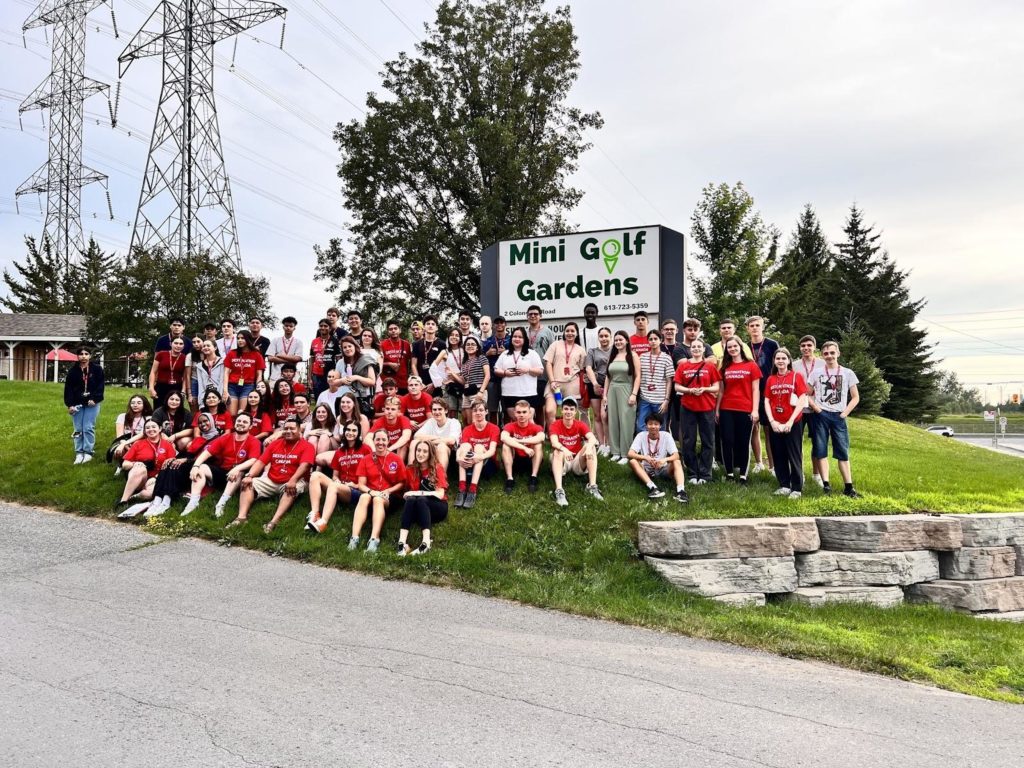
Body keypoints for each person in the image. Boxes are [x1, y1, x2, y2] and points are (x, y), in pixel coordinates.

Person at [228, 416, 315, 533]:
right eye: (286, 428)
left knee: (292, 489)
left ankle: (273, 521)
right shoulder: (275, 444)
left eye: (292, 429)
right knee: (247, 483)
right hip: (271, 479)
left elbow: (304, 466)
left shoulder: (307, 446)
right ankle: (241, 518)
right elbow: (260, 462)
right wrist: (249, 476)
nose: (288, 431)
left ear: (300, 431)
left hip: (295, 479)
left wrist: (293, 480)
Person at [808, 341, 862, 498]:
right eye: (826, 353)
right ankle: (826, 485)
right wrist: (816, 408)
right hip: (821, 415)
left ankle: (848, 487)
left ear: (838, 353)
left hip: (839, 415)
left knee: (842, 451)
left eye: (832, 353)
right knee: (820, 449)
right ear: (822, 356)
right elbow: (806, 393)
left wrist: (845, 413)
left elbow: (855, 397)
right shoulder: (816, 373)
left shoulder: (848, 373)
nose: (829, 356)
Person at [184, 412, 262, 517]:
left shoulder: (254, 441)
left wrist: (237, 468)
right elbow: (206, 453)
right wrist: (195, 466)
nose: (241, 423)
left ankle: (221, 504)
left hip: (238, 475)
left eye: (245, 422)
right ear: (235, 423)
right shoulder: (226, 437)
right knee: (201, 468)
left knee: (239, 472)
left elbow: (253, 460)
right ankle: (193, 502)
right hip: (223, 472)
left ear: (250, 426)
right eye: (239, 421)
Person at [307, 421, 370, 534]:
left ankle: (323, 522)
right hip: (340, 486)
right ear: (344, 432)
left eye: (354, 430)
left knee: (334, 486)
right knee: (315, 475)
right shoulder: (339, 452)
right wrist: (337, 480)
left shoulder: (365, 449)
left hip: (357, 490)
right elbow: (335, 475)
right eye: (348, 430)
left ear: (359, 433)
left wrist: (355, 485)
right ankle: (315, 514)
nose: (350, 433)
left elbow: (371, 474)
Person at [349, 428, 406, 552]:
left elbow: (402, 483)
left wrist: (389, 491)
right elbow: (361, 485)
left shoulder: (396, 459)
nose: (380, 442)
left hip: (390, 497)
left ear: (388, 441)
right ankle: (354, 537)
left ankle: (374, 539)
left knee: (378, 500)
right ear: (374, 441)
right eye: (378, 439)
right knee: (364, 496)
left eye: (383, 440)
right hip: (371, 494)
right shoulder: (366, 459)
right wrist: (371, 492)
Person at [764, 347, 809, 498]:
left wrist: (790, 421)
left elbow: (802, 399)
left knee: (794, 454)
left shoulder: (797, 376)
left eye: (784, 358)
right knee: (778, 454)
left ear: (789, 360)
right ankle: (784, 484)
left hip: (793, 422)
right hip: (776, 422)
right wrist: (772, 421)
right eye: (778, 359)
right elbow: (767, 400)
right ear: (774, 361)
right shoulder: (771, 379)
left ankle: (796, 488)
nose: (781, 361)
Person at [675, 339, 721, 484]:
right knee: (689, 441)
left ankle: (705, 473)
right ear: (690, 350)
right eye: (693, 347)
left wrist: (705, 389)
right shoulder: (683, 366)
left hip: (707, 407)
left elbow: (716, 387)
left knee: (708, 440)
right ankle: (692, 473)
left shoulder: (710, 366)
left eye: (699, 347)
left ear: (703, 349)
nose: (696, 349)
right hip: (688, 407)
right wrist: (689, 390)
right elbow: (677, 386)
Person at [716, 338, 762, 483]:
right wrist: (717, 410)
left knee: (743, 441)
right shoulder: (724, 367)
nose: (732, 349)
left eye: (735, 346)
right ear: (726, 349)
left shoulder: (751, 365)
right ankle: (729, 473)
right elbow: (721, 391)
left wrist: (755, 410)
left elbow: (756, 389)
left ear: (740, 347)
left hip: (745, 408)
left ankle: (743, 475)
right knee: (727, 441)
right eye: (729, 347)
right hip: (726, 408)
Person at [396, 440, 449, 556]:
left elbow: (440, 494)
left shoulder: (437, 468)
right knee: (411, 499)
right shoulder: (410, 469)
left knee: (420, 499)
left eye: (425, 451)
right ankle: (402, 543)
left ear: (430, 454)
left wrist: (418, 492)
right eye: (418, 450)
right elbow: (404, 492)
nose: (420, 454)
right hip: (419, 511)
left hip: (437, 508)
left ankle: (426, 543)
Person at [115, 418, 175, 517]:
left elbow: (170, 464)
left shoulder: (167, 445)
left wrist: (156, 477)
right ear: (144, 431)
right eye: (147, 428)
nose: (150, 429)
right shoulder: (138, 444)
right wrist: (135, 464)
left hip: (157, 478)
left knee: (149, 494)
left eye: (153, 427)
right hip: (139, 477)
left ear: (160, 429)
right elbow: (125, 464)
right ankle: (123, 501)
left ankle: (134, 497)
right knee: (140, 468)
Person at [549, 398, 603, 506]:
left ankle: (592, 486)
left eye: (571, 409)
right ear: (562, 410)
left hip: (576, 462)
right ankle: (559, 491)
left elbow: (593, 439)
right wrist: (565, 449)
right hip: (562, 460)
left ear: (575, 411)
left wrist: (588, 447)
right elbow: (554, 443)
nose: (568, 411)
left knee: (591, 447)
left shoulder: (580, 424)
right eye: (566, 409)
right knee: (557, 451)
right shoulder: (555, 425)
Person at [627, 414, 688, 502]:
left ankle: (681, 491)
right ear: (646, 426)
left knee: (677, 462)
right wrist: (645, 457)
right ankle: (653, 488)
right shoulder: (641, 435)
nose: (653, 426)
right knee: (633, 461)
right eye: (650, 424)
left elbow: (676, 455)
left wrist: (664, 460)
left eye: (656, 424)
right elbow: (630, 453)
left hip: (662, 468)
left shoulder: (666, 436)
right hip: (646, 469)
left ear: (660, 426)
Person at [746, 315, 780, 474]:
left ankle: (772, 466)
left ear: (762, 327)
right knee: (754, 428)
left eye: (757, 325)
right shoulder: (745, 346)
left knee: (769, 429)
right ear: (747, 329)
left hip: (768, 391)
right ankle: (759, 463)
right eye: (751, 325)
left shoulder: (772, 344)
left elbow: (779, 365)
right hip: (750, 391)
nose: (754, 328)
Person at [454, 402, 500, 508]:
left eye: (481, 410)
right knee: (465, 447)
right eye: (475, 410)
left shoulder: (494, 428)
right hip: (469, 464)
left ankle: (472, 490)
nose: (478, 413)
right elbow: (461, 448)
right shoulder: (467, 429)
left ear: (486, 412)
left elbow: (492, 451)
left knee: (479, 447)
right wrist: (459, 458)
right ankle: (462, 489)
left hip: (488, 465)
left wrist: (478, 457)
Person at [604, 331, 640, 463]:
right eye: (616, 340)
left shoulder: (633, 356)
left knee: (626, 421)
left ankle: (625, 454)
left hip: (627, 389)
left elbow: (638, 377)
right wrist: (605, 395)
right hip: (612, 389)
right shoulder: (612, 356)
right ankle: (615, 451)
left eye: (621, 340)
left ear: (627, 341)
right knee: (613, 420)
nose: (618, 342)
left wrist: (634, 394)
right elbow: (608, 377)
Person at [64, 346, 105, 464]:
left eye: (86, 354)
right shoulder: (73, 372)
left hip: (92, 403)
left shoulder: (97, 369)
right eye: (81, 354)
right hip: (77, 403)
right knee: (78, 428)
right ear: (77, 356)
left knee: (88, 427)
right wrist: (70, 405)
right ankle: (79, 452)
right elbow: (68, 389)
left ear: (90, 356)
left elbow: (100, 386)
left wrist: (95, 399)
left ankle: (88, 452)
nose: (83, 356)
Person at [494, 327, 544, 423]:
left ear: (525, 339)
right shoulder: (505, 354)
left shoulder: (532, 354)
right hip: (509, 393)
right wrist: (505, 373)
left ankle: (535, 437)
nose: (517, 339)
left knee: (528, 420)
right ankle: (515, 438)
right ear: (511, 338)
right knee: (515, 419)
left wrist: (528, 370)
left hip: (528, 393)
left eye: (520, 337)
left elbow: (540, 370)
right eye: (515, 336)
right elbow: (496, 369)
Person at [796, 335, 826, 487]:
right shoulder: (795, 365)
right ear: (800, 348)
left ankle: (816, 474)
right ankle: (799, 472)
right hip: (799, 408)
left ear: (815, 347)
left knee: (818, 442)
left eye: (809, 345)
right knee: (797, 442)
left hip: (817, 409)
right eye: (803, 346)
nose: (806, 348)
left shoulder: (823, 363)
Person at [543, 321, 586, 427]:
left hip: (571, 384)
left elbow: (582, 370)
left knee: (569, 414)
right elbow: (548, 362)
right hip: (554, 384)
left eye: (572, 331)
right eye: (567, 331)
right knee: (549, 411)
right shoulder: (555, 345)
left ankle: (568, 436)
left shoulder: (580, 349)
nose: (570, 333)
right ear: (564, 332)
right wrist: (552, 381)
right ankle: (554, 437)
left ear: (576, 333)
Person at [500, 399, 545, 493]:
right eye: (519, 412)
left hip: (531, 459)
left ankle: (534, 477)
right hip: (515, 460)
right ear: (515, 413)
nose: (521, 415)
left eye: (524, 412)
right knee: (505, 445)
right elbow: (503, 437)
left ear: (529, 414)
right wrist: (524, 447)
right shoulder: (510, 426)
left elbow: (541, 437)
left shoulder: (536, 427)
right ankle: (509, 479)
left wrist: (518, 440)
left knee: (538, 444)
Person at [636, 329, 674, 432]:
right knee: (641, 426)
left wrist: (666, 400)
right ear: (647, 341)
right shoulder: (642, 357)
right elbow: (638, 376)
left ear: (660, 340)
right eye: (650, 339)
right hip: (645, 399)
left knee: (660, 428)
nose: (653, 341)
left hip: (660, 400)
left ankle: (659, 448)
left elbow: (669, 380)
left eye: (655, 339)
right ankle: (645, 448)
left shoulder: (666, 358)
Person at [222, 330, 265, 415]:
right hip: (232, 386)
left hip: (248, 386)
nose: (240, 340)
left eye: (242, 338)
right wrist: (225, 390)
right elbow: (226, 372)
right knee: (232, 414)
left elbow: (259, 374)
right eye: (238, 338)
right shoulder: (232, 353)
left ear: (248, 339)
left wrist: (257, 390)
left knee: (242, 413)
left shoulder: (256, 354)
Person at [584, 327, 612, 455]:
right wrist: (595, 383)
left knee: (606, 415)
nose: (604, 338)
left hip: (611, 385)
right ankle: (601, 444)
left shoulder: (615, 351)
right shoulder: (592, 351)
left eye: (606, 336)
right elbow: (588, 368)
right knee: (597, 416)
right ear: (598, 338)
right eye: (601, 336)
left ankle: (611, 444)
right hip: (595, 385)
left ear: (610, 337)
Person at [412, 399, 462, 470]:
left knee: (441, 446)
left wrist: (430, 442)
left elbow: (451, 441)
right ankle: (412, 474)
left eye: (440, 409)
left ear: (446, 410)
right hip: (432, 451)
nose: (437, 412)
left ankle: (441, 479)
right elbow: (416, 436)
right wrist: (436, 438)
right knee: (414, 443)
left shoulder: (454, 422)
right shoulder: (431, 422)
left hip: (451, 456)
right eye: (434, 410)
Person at [335, 335, 378, 417]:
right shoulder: (340, 362)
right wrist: (342, 380)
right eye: (344, 347)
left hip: (360, 398)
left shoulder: (365, 360)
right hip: (343, 399)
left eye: (349, 346)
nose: (347, 349)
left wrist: (357, 377)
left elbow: (372, 381)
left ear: (355, 346)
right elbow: (334, 382)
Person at [109, 393, 152, 466]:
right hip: (124, 441)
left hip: (140, 442)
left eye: (139, 403)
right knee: (119, 450)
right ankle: (120, 465)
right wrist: (124, 445)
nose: (135, 405)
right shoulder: (122, 416)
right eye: (133, 403)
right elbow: (120, 436)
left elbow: (143, 435)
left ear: (144, 405)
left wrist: (133, 448)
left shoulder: (149, 418)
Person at [481, 315, 509, 424]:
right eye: (497, 323)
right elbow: (480, 357)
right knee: (492, 409)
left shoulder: (510, 340)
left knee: (506, 409)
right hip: (492, 379)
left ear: (505, 324)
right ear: (493, 326)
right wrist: (487, 354)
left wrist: (506, 352)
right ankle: (495, 432)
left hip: (507, 378)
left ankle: (506, 431)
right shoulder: (488, 341)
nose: (499, 325)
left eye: (501, 322)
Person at [366, 396, 413, 461]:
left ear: (398, 411)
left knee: (403, 445)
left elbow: (406, 437)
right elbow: (367, 438)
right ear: (384, 409)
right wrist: (374, 450)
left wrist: (390, 449)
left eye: (393, 409)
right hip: (385, 447)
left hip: (398, 448)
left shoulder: (404, 419)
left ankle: (398, 466)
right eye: (387, 409)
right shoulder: (380, 421)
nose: (389, 412)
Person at [525, 305, 556, 401]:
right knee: (530, 404)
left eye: (536, 314)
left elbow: (554, 353)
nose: (533, 316)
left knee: (542, 404)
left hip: (544, 375)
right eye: (530, 314)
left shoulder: (547, 332)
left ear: (540, 316)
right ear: (527, 316)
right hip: (528, 374)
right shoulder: (524, 333)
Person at [148, 335, 189, 407]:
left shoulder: (185, 358)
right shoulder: (161, 354)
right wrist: (151, 388)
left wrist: (183, 391)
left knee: (175, 411)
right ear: (171, 344)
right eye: (176, 343)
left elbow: (185, 376)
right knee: (159, 409)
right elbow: (153, 372)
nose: (178, 346)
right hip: (161, 387)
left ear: (184, 346)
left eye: (181, 344)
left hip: (177, 388)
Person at [459, 336, 490, 424]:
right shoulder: (464, 362)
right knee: (467, 420)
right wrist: (452, 374)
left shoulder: (481, 358)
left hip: (478, 391)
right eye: (468, 344)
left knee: (476, 419)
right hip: (467, 393)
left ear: (477, 347)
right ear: (464, 348)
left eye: (473, 344)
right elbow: (464, 380)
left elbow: (487, 375)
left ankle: (480, 437)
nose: (470, 346)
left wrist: (481, 392)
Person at [435, 328, 466, 417]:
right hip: (450, 386)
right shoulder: (445, 352)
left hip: (464, 383)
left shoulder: (464, 350)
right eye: (452, 335)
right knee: (451, 414)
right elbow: (434, 367)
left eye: (457, 335)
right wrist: (443, 379)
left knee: (465, 415)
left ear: (460, 338)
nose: (454, 337)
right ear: (448, 337)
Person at [411, 315, 445, 393]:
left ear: (436, 328)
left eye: (433, 324)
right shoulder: (416, 344)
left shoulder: (442, 344)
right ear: (424, 327)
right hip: (420, 384)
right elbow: (413, 365)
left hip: (436, 384)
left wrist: (434, 383)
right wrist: (419, 382)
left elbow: (444, 367)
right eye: (428, 323)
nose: (430, 326)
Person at [309, 318, 340, 400]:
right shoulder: (314, 341)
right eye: (321, 326)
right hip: (317, 374)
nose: (323, 328)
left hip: (330, 373)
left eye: (325, 326)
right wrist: (309, 378)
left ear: (330, 328)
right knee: (318, 397)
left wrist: (338, 375)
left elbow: (338, 359)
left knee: (331, 396)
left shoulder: (335, 341)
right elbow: (311, 360)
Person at [266, 316, 303, 384]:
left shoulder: (298, 342)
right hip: (276, 375)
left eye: (291, 326)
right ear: (283, 327)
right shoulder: (275, 340)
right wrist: (291, 360)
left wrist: (280, 355)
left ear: (294, 328)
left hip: (292, 375)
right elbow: (270, 358)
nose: (288, 328)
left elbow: (298, 358)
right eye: (286, 326)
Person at [380, 319, 413, 394]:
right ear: (388, 331)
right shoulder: (382, 344)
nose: (393, 331)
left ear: (400, 330)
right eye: (390, 329)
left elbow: (412, 362)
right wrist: (389, 364)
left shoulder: (406, 344)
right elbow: (377, 364)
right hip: (388, 384)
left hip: (403, 383)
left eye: (395, 328)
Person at [193, 339, 224, 413]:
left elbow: (222, 381)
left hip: (219, 398)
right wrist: (201, 402)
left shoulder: (223, 362)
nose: (206, 347)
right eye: (204, 346)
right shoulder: (199, 366)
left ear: (215, 347)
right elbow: (201, 385)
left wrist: (219, 399)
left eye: (208, 345)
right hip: (206, 398)